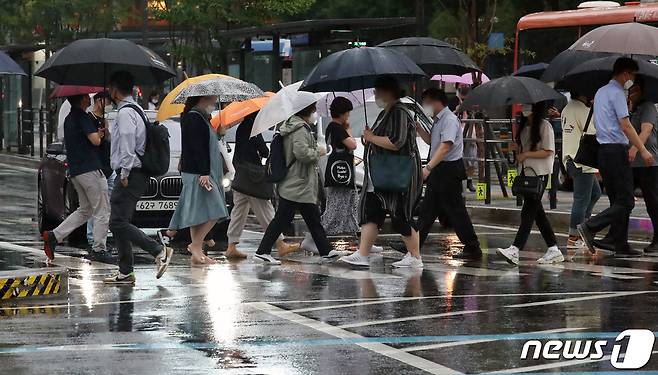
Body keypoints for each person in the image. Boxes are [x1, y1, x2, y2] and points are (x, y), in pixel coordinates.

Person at [340, 76, 423, 268]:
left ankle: (415, 257)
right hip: (381, 175)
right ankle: (363, 253)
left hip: (398, 175)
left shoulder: (400, 112)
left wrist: (373, 137)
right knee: (372, 211)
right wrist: (368, 138)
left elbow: (397, 142)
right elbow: (377, 138)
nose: (375, 94)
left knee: (401, 213)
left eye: (377, 90)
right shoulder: (386, 112)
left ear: (388, 91)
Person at [578, 58, 654, 257]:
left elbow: (599, 119)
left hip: (603, 151)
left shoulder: (601, 92)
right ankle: (591, 226)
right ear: (625, 74)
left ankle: (618, 242)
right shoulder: (618, 93)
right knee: (627, 200)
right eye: (632, 75)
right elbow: (626, 126)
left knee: (616, 199)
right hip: (616, 150)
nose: (633, 80)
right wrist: (643, 150)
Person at [103, 71, 173, 284]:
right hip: (135, 173)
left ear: (115, 90)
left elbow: (127, 143)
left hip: (130, 174)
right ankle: (125, 272)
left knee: (116, 222)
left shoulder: (125, 113)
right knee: (120, 221)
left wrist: (124, 173)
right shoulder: (137, 110)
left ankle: (159, 250)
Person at [254, 101, 341, 264]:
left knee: (312, 217)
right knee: (284, 219)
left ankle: (326, 250)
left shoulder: (293, 126)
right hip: (298, 182)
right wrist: (318, 151)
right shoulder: (300, 128)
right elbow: (302, 154)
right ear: (308, 110)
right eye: (314, 109)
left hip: (297, 182)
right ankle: (262, 251)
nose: (316, 113)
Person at [42, 94, 112, 263]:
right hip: (90, 169)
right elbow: (95, 141)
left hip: (76, 171)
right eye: (87, 98)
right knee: (102, 209)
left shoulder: (68, 119)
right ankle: (99, 248)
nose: (90, 99)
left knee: (85, 210)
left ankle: (54, 235)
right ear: (82, 100)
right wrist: (100, 134)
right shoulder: (82, 117)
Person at [416, 88, 482, 260]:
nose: (425, 106)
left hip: (449, 170)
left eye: (426, 102)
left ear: (436, 101)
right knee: (427, 210)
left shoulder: (449, 120)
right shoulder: (438, 120)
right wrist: (419, 129)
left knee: (456, 211)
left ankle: (473, 246)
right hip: (441, 170)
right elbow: (432, 141)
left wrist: (428, 167)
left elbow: (445, 146)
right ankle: (413, 244)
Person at [225, 112, 299, 259]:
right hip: (252, 178)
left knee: (238, 212)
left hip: (241, 177)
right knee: (266, 209)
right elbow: (264, 152)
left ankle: (231, 245)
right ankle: (280, 243)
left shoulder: (242, 127)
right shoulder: (253, 128)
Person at [497, 101, 562, 265]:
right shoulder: (524, 127)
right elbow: (521, 152)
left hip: (539, 173)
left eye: (529, 106)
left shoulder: (545, 126)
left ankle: (515, 249)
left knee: (528, 213)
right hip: (526, 173)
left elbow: (548, 151)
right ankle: (553, 248)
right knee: (537, 214)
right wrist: (516, 149)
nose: (525, 109)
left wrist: (526, 154)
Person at [168, 95, 229, 265]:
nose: (214, 101)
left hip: (199, 171)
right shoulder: (194, 118)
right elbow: (197, 148)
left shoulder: (200, 117)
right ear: (203, 98)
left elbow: (204, 142)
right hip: (198, 172)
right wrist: (203, 172)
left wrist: (218, 134)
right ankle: (195, 245)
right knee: (216, 210)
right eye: (212, 98)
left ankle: (197, 251)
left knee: (198, 213)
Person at [561, 92, 601, 249]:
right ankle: (574, 237)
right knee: (581, 200)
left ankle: (583, 228)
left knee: (594, 194)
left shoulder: (567, 108)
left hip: (571, 159)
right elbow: (593, 131)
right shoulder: (582, 110)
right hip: (582, 160)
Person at [628, 78, 658, 253]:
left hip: (649, 161)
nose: (631, 93)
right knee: (624, 199)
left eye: (634, 90)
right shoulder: (635, 108)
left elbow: (646, 130)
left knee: (653, 202)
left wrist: (634, 148)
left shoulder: (648, 107)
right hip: (635, 164)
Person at [85, 91, 116, 256]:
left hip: (108, 167)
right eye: (107, 101)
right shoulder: (88, 119)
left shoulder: (103, 120)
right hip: (96, 168)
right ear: (99, 101)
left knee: (106, 207)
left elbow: (107, 141)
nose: (109, 104)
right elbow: (93, 142)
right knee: (96, 207)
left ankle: (101, 240)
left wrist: (106, 132)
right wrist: (99, 135)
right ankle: (93, 239)